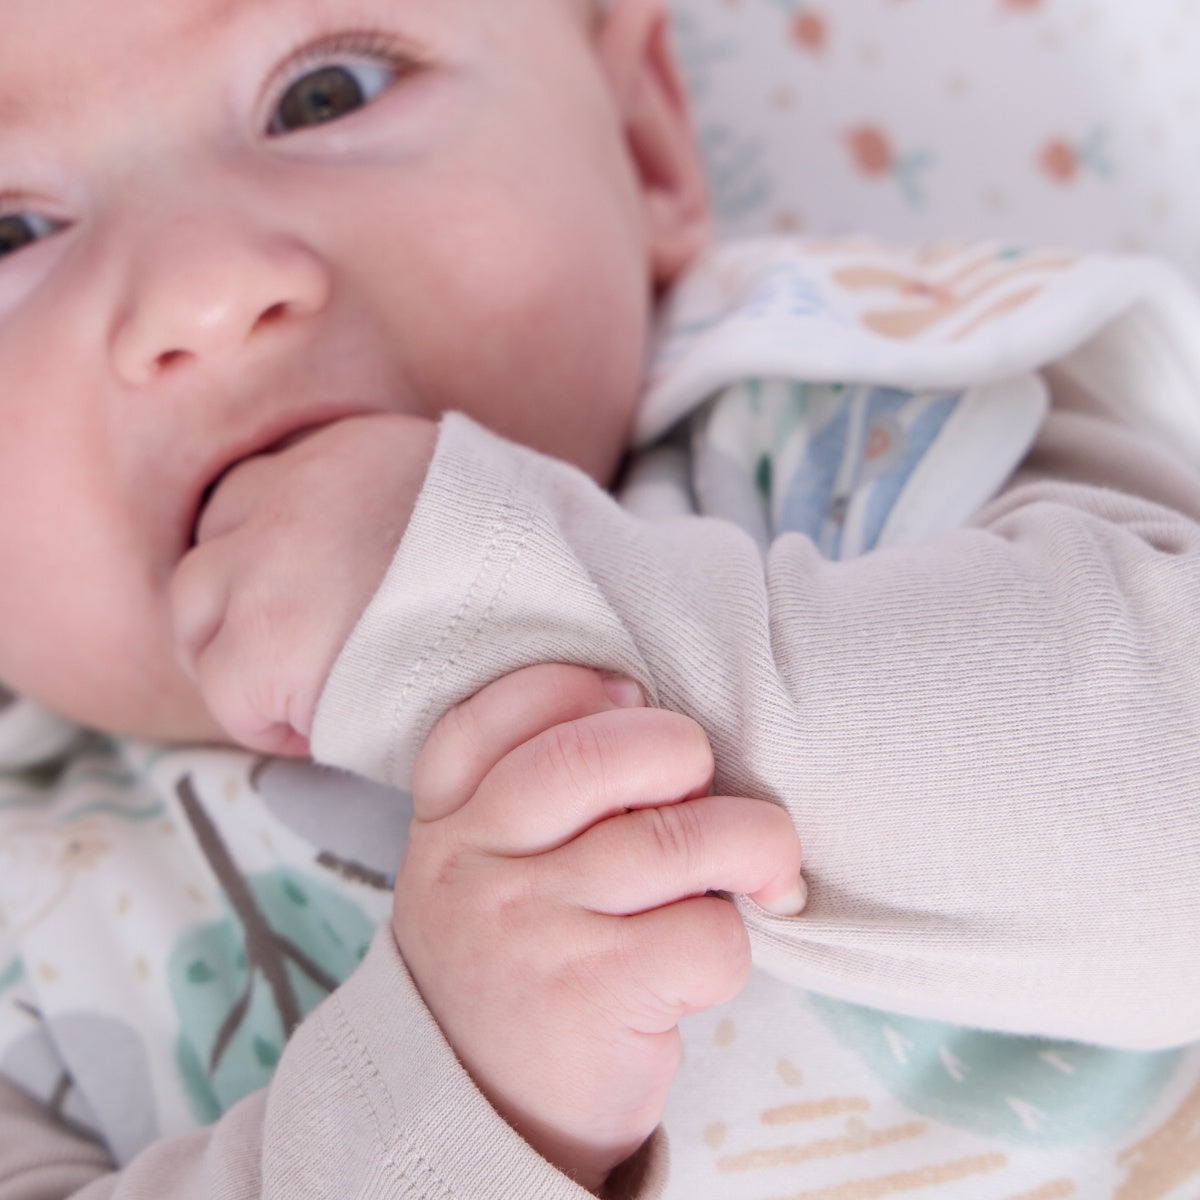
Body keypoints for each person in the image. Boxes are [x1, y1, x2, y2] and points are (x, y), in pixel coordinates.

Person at [1, 0, 1199, 1196]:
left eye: (327, 95)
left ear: (641, 139)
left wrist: (507, 604)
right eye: (10, 229)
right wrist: (452, 1107)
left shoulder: (866, 427)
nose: (202, 291)